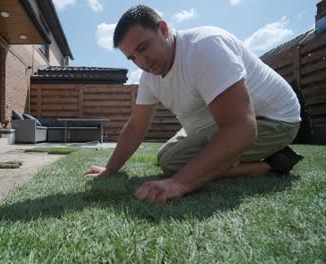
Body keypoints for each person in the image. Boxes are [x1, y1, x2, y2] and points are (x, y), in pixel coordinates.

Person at [83, 5, 303, 204]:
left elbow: (241, 128)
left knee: (174, 164)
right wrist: (110, 169)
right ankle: (262, 162)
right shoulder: (149, 77)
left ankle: (269, 166)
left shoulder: (204, 47)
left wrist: (179, 183)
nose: (141, 62)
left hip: (274, 120)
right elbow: (136, 126)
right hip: (215, 123)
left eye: (143, 47)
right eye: (132, 58)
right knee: (165, 156)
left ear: (163, 29)